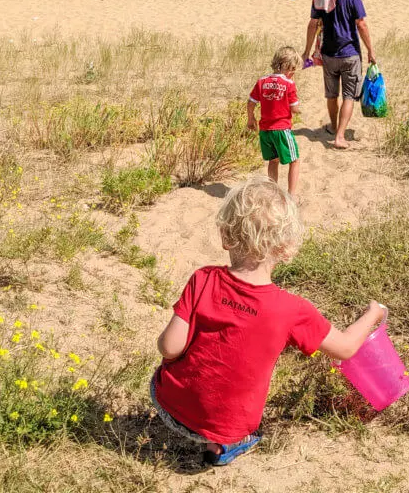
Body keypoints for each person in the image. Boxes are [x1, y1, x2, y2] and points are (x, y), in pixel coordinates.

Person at [151, 178, 387, 466]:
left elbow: (169, 347)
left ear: (226, 236)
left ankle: (214, 436)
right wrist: (373, 313)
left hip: (168, 406)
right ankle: (222, 445)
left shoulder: (204, 279)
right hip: (231, 425)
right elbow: (346, 348)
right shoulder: (292, 309)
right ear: (287, 249)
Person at [303, 0, 376, 150]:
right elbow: (361, 25)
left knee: (331, 94)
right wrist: (370, 50)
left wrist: (306, 52)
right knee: (349, 96)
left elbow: (312, 24)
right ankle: (340, 136)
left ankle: (334, 127)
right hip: (350, 53)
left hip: (328, 53)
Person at [247, 46, 302, 198]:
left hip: (265, 130)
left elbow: (251, 102)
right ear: (289, 67)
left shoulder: (262, 81)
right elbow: (295, 108)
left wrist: (250, 119)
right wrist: (299, 108)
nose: (293, 73)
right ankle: (291, 195)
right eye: (293, 69)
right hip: (282, 129)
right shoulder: (288, 84)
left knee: (273, 160)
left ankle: (273, 192)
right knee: (295, 160)